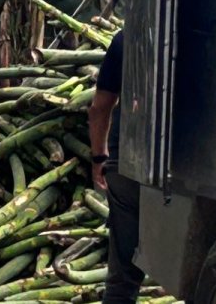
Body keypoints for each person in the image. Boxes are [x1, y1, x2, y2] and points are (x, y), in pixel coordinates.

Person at [88, 32, 143, 303]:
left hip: (130, 161)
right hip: (193, 159)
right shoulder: (200, 26)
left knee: (123, 276)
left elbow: (100, 107)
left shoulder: (126, 39)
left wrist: (99, 158)